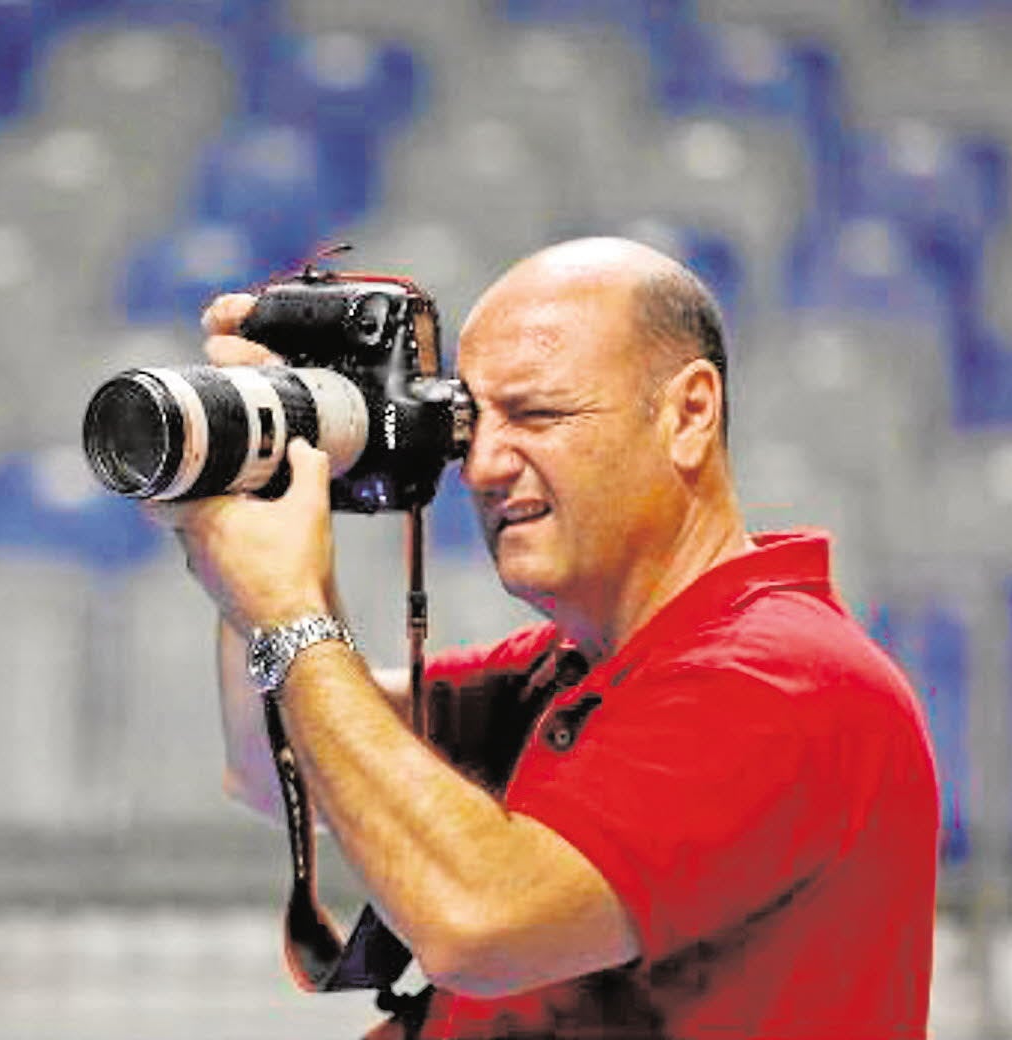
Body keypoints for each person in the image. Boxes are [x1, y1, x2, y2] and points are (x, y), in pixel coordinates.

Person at [155, 237, 939, 1038]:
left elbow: (479, 922)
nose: (483, 467)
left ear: (689, 413)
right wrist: (256, 484)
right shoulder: (575, 670)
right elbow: (278, 760)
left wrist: (292, 615)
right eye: (468, 422)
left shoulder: (780, 680)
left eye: (538, 414)